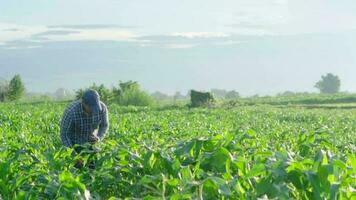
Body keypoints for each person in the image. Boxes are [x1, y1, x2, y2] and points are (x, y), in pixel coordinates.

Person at [60, 89, 109, 169]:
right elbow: (65, 135)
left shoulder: (102, 108)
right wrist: (74, 156)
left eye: (96, 107)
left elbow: (104, 126)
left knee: (95, 171)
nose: (94, 111)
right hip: (75, 146)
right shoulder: (71, 111)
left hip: (92, 146)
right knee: (77, 173)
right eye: (91, 107)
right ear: (83, 103)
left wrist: (99, 138)